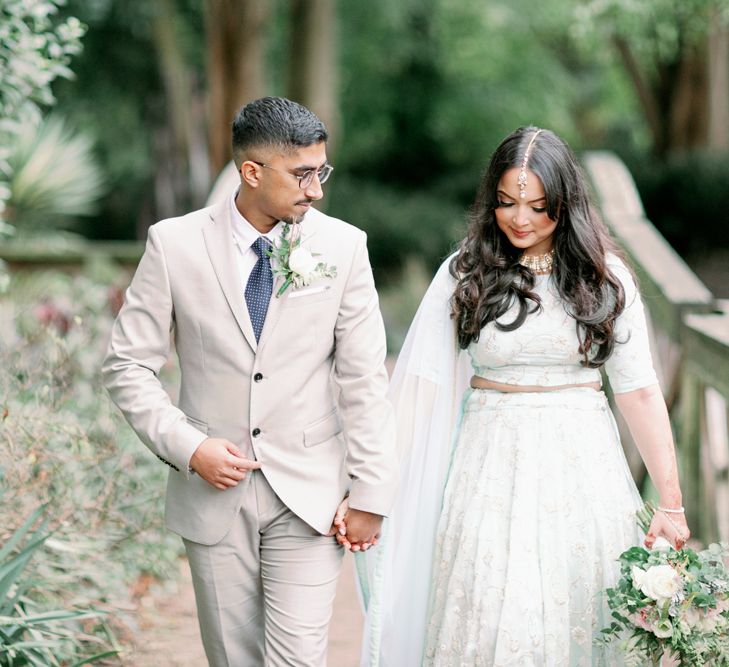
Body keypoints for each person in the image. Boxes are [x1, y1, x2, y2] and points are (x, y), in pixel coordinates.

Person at [354, 126, 690, 666]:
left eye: (538, 206)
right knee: (488, 609)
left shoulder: (607, 280)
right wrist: (374, 488)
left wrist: (670, 504)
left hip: (584, 472)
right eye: (507, 203)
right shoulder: (466, 272)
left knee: (580, 611)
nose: (520, 219)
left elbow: (641, 393)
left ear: (566, 203)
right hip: (488, 470)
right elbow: (420, 389)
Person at [102, 96, 397, 667]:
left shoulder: (343, 246)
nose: (316, 189)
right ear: (252, 172)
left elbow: (364, 379)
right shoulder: (174, 244)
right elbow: (127, 365)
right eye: (302, 173)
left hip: (310, 491)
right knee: (234, 659)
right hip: (214, 493)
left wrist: (371, 493)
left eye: (321, 171)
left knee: (298, 659)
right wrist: (190, 447)